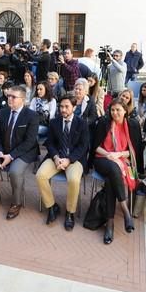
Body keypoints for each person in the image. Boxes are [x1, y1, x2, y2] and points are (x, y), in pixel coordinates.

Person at [0, 85, 39, 220]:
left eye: (13, 97)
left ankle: (16, 203)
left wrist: (11, 156)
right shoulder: (3, 112)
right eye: (8, 96)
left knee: (15, 172)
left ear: (23, 99)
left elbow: (30, 142)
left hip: (23, 152)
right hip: (2, 150)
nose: (9, 99)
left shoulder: (32, 116)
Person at [90, 99, 144, 244]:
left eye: (118, 110)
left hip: (124, 161)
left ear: (125, 111)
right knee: (113, 168)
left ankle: (110, 224)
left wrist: (118, 155)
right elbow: (95, 146)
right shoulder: (104, 123)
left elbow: (134, 151)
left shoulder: (133, 125)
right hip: (102, 158)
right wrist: (109, 155)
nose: (115, 113)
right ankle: (125, 211)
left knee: (110, 181)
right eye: (112, 110)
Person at [36, 94, 89, 230]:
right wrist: (55, 157)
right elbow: (50, 143)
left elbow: (84, 146)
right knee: (40, 175)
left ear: (74, 107)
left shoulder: (82, 123)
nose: (63, 110)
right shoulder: (54, 122)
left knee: (74, 180)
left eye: (67, 107)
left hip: (74, 160)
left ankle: (70, 212)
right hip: (56, 157)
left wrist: (69, 160)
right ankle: (52, 206)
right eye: (61, 107)